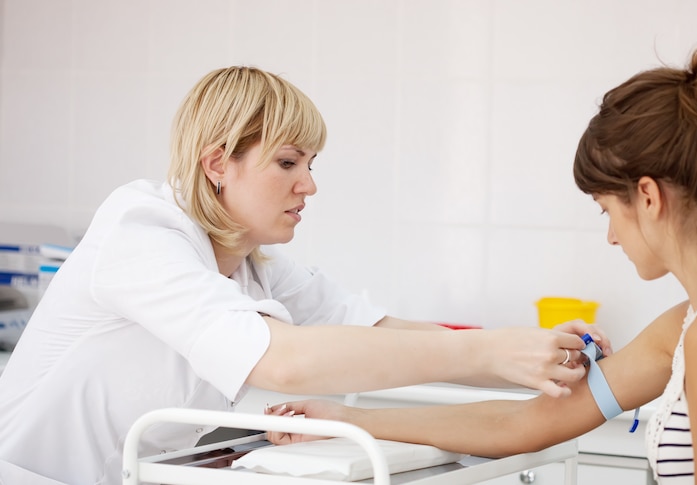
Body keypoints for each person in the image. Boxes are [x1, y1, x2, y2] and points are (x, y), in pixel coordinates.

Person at [0, 66, 602, 485]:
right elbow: (280, 360)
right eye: (288, 163)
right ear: (217, 163)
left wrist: (532, 348)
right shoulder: (141, 230)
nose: (308, 185)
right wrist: (495, 353)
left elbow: (380, 328)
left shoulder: (253, 263)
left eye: (310, 164)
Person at [274, 46, 697, 484]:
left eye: (606, 210)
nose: (611, 237)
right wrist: (345, 421)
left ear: (647, 196)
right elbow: (524, 424)